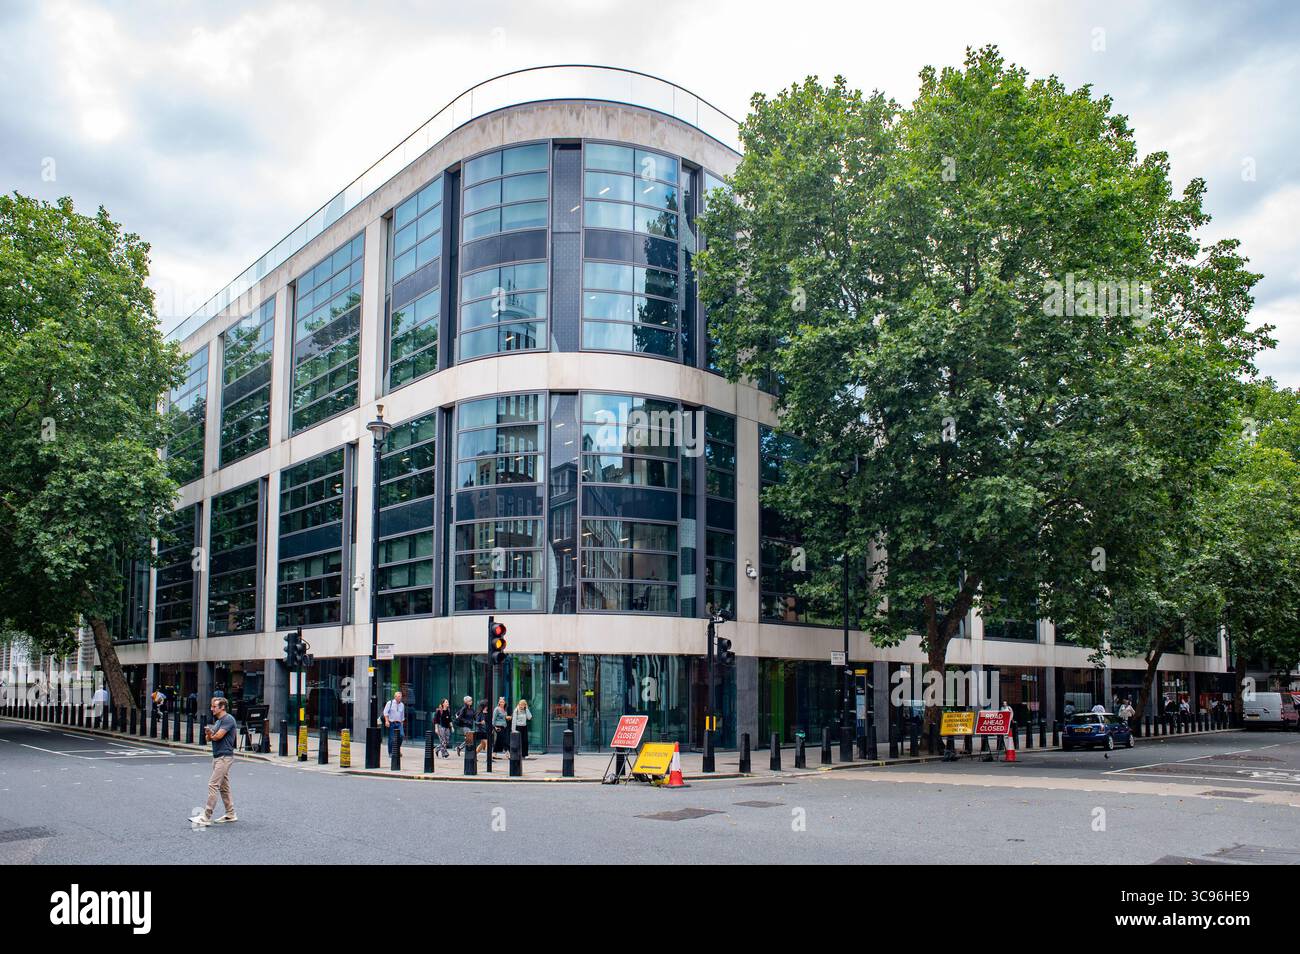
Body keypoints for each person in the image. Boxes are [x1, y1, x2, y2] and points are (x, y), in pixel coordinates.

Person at [193, 697, 237, 826]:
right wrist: (208, 733)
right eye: (212, 706)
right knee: (224, 787)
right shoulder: (218, 721)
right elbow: (210, 739)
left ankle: (206, 817)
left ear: (222, 707)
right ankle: (230, 814)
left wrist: (211, 734)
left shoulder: (228, 719)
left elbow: (218, 736)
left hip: (224, 757)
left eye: (214, 706)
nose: (211, 708)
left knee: (213, 785)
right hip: (218, 756)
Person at [382, 691, 405, 757]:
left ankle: (397, 749)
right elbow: (385, 712)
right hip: (392, 723)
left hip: (399, 723)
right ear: (395, 697)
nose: (399, 698)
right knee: (391, 738)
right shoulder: (390, 703)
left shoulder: (402, 705)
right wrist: (387, 721)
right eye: (397, 696)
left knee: (401, 735)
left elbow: (402, 715)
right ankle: (391, 752)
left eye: (400, 696)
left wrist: (402, 725)